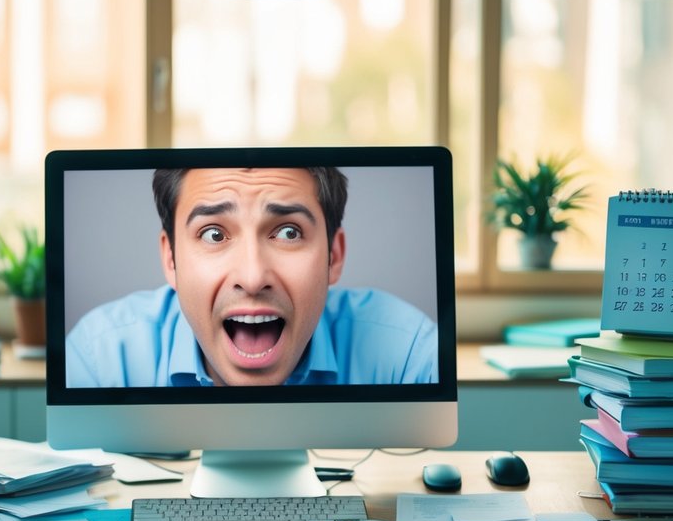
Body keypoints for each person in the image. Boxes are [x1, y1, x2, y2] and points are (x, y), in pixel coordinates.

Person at [66, 166, 438, 387]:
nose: (253, 276)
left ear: (333, 256)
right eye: (214, 234)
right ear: (171, 258)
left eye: (288, 232)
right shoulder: (99, 358)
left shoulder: (408, 354)